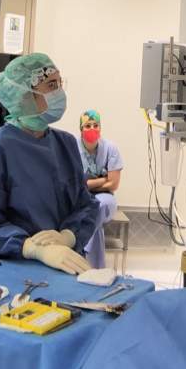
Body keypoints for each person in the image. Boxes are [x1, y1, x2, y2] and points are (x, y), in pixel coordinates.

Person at [0, 53, 97, 274]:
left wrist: (68, 236)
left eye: (60, 83)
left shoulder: (65, 143)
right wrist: (33, 248)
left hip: (67, 261)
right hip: (18, 267)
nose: (60, 93)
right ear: (24, 96)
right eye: (51, 85)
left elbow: (85, 204)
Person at [75, 110, 122, 267]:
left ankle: (80, 248)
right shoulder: (72, 148)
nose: (92, 128)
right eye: (87, 125)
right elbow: (75, 183)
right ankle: (97, 269)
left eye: (96, 125)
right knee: (94, 223)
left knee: (98, 207)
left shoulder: (110, 149)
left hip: (105, 197)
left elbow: (114, 184)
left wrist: (88, 184)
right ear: (81, 129)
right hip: (80, 197)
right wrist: (103, 179)